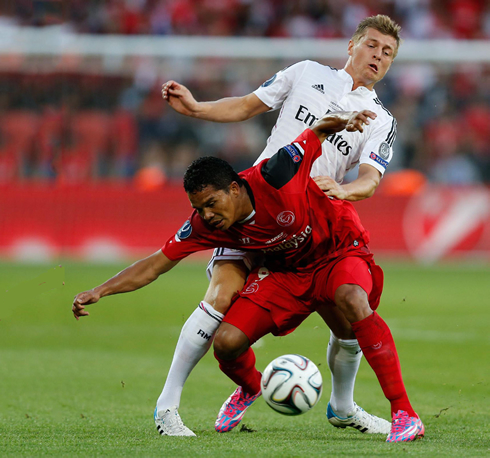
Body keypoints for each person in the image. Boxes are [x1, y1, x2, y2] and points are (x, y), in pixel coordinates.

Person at [72, 111, 424, 443]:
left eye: (212, 203)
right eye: (199, 208)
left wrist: (346, 121)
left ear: (235, 189)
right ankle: (252, 386)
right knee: (226, 342)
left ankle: (404, 413)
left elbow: (317, 131)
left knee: (351, 301)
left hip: (336, 251)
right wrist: (101, 290)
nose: (207, 215)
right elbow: (155, 264)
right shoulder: (206, 225)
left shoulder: (278, 172)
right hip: (287, 272)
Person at [158, 14, 400, 435]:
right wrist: (196, 108)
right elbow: (248, 105)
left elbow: (370, 178)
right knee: (221, 295)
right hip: (257, 209)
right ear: (351, 45)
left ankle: (343, 407)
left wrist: (346, 191)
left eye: (388, 52)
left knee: (347, 318)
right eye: (373, 45)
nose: (378, 56)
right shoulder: (305, 73)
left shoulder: (381, 118)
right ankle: (167, 407)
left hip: (312, 228)